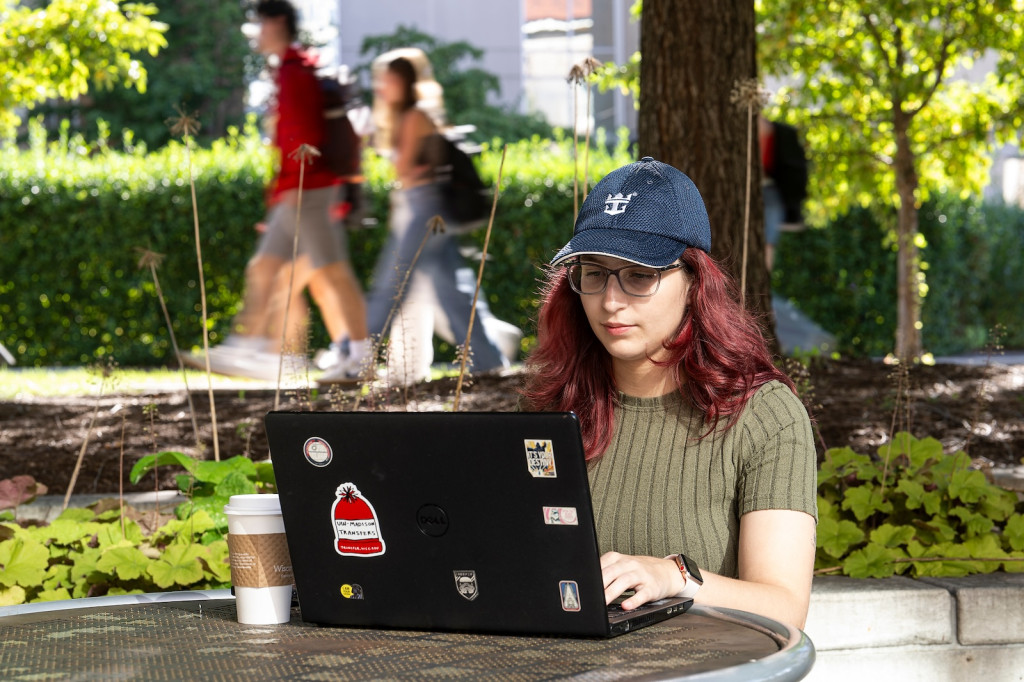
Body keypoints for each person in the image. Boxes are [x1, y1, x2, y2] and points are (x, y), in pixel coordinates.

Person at [521, 157, 817, 628]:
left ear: (695, 282)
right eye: (593, 273)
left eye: (640, 274)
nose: (610, 301)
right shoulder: (550, 409)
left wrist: (675, 577)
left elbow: (785, 607)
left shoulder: (765, 416)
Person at [196, 0, 369, 382]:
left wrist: (293, 187)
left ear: (276, 22)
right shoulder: (289, 71)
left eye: (257, 24)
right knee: (264, 268)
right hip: (296, 193)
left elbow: (305, 138)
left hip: (310, 192)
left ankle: (360, 357)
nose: (254, 33)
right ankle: (249, 346)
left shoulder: (296, 73)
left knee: (334, 273)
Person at [366, 52, 513, 385]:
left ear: (402, 82)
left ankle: (358, 351)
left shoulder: (413, 117)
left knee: (393, 283)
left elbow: (404, 171)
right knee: (453, 293)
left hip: (424, 207)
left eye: (387, 80)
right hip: (429, 208)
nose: (381, 87)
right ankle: (489, 362)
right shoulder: (415, 116)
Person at [759, 115, 808, 271]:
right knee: (767, 244)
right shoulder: (779, 132)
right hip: (772, 193)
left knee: (767, 244)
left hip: (770, 192)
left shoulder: (774, 132)